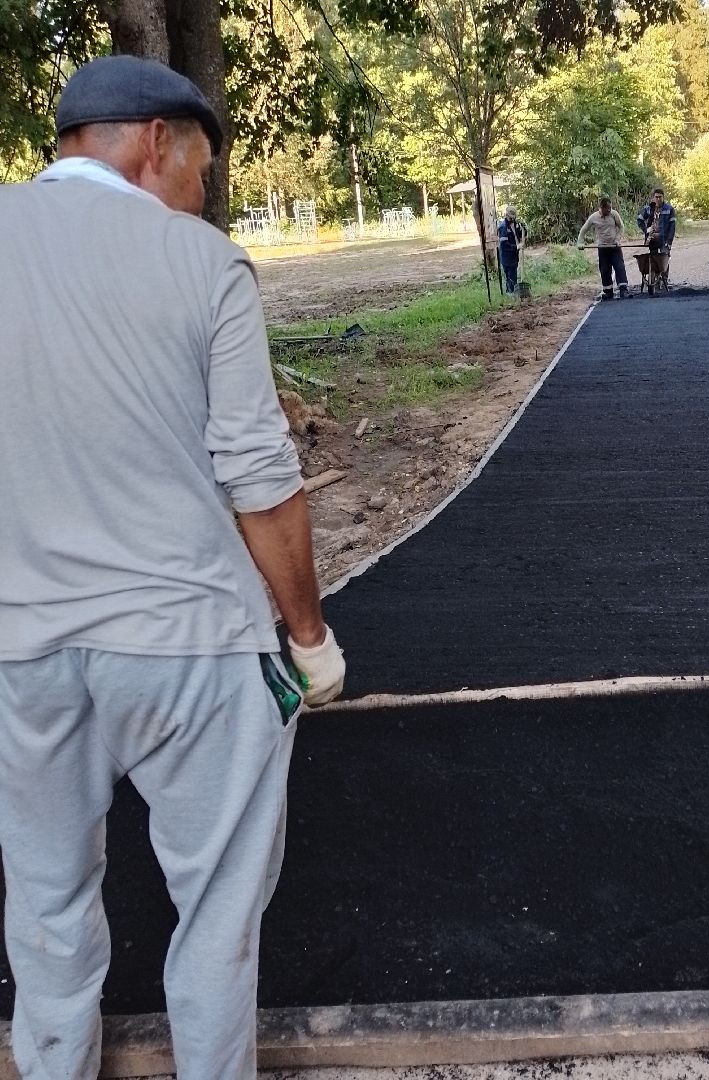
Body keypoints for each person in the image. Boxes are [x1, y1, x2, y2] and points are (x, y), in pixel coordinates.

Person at [0, 55, 346, 1079]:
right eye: (199, 173)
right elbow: (256, 471)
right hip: (191, 644)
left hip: (18, 652)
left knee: (47, 899)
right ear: (155, 142)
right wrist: (309, 638)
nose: (199, 199)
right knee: (217, 914)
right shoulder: (203, 265)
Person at [576, 196, 633, 301]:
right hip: (603, 248)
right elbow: (584, 229)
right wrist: (580, 242)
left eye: (610, 208)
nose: (609, 210)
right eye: (607, 208)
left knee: (620, 267)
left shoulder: (614, 214)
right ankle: (608, 292)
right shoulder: (594, 217)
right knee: (605, 270)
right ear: (601, 208)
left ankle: (623, 290)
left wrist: (617, 239)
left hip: (615, 246)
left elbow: (621, 226)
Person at [636, 187, 677, 286]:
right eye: (656, 197)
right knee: (654, 259)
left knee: (664, 257)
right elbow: (639, 219)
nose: (658, 199)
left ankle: (664, 279)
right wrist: (646, 230)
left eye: (660, 197)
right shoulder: (649, 209)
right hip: (652, 239)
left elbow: (672, 227)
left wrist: (669, 242)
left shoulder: (669, 209)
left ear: (663, 197)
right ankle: (655, 279)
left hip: (664, 239)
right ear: (653, 198)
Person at [497, 205, 527, 294]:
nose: (512, 218)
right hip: (507, 256)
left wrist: (524, 230)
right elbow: (504, 245)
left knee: (513, 275)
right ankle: (511, 294)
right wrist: (516, 247)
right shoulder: (503, 227)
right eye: (511, 217)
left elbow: (520, 233)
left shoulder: (515, 224)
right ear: (507, 215)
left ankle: (512, 293)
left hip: (514, 255)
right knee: (510, 276)